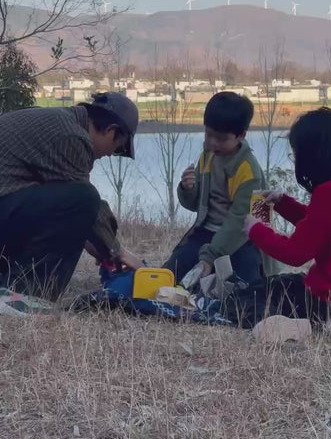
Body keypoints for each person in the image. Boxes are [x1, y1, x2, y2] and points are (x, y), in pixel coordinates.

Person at [243, 107, 331, 326]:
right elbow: (320, 225)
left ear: (311, 156)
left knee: (249, 302)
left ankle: (312, 326)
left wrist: (256, 230)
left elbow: (295, 253)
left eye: (296, 154)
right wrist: (283, 203)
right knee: (273, 286)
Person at [0, 92, 140, 300]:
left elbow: (62, 206)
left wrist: (91, 238)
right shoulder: (73, 137)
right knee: (86, 198)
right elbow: (85, 202)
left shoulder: (60, 122)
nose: (111, 154)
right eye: (117, 148)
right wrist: (118, 252)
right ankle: (25, 294)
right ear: (111, 131)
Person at [164, 91, 268, 284]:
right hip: (206, 233)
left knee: (247, 288)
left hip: (244, 239)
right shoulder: (208, 155)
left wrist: (210, 257)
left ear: (241, 136)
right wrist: (187, 189)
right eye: (209, 134)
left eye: (221, 138)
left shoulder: (249, 171)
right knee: (171, 272)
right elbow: (196, 204)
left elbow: (241, 222)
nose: (212, 142)